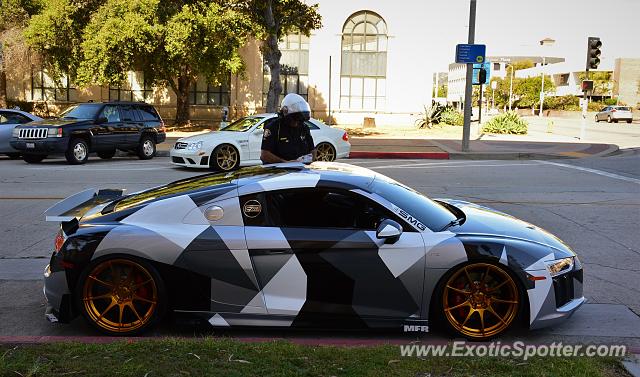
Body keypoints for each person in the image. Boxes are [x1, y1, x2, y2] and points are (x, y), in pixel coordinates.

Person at [261, 93, 316, 164]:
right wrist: (286, 162)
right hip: (279, 171)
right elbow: (265, 155)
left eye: (299, 120)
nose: (296, 123)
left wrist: (310, 158)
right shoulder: (273, 127)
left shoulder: (304, 127)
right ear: (285, 114)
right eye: (294, 119)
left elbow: (312, 150)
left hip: (301, 170)